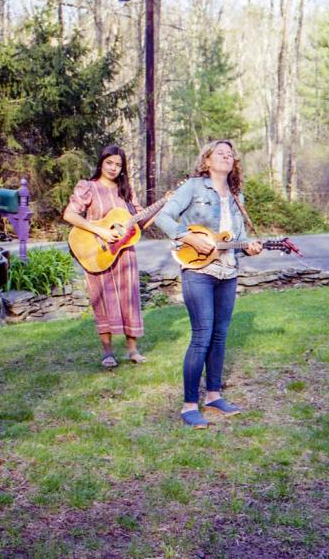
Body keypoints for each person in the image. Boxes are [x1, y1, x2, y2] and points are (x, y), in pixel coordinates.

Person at [155, 140, 263, 428]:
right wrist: (188, 237)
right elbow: (163, 216)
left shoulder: (238, 195)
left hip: (227, 271)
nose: (227, 156)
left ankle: (214, 395)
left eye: (231, 154)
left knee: (220, 335)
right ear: (206, 160)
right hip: (198, 270)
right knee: (202, 335)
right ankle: (190, 404)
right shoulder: (192, 187)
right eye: (220, 153)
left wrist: (247, 248)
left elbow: (231, 242)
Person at [63, 145, 146, 368]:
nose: (113, 168)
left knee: (130, 299)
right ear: (101, 162)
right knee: (102, 300)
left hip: (124, 252)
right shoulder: (88, 187)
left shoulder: (126, 192)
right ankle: (108, 352)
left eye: (118, 165)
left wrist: (163, 205)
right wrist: (99, 230)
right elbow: (69, 214)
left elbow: (141, 221)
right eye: (109, 163)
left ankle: (133, 350)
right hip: (97, 251)